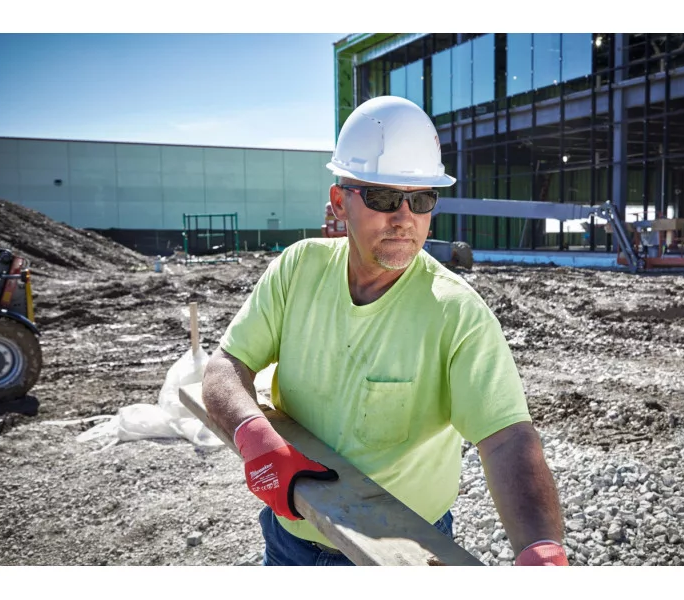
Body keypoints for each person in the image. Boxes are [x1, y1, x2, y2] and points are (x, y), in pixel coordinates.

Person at [202, 96, 567, 567]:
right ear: (340, 202)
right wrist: (255, 437)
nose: (403, 218)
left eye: (421, 200)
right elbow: (225, 367)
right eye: (383, 198)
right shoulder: (299, 269)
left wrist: (541, 549)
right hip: (291, 536)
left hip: (402, 554)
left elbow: (506, 439)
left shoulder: (457, 313)